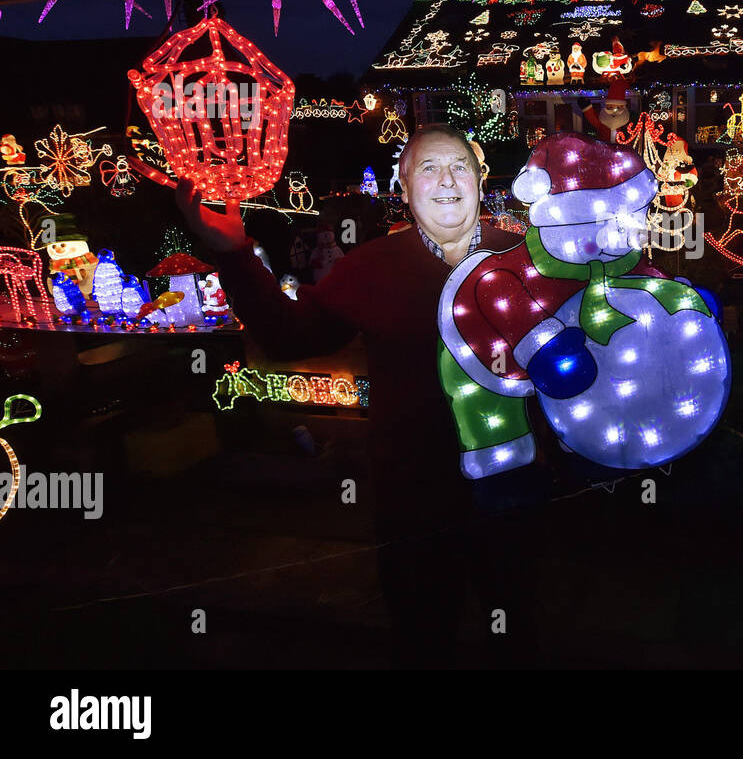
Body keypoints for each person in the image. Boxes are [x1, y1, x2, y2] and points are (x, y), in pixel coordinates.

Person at [175, 123, 546, 667]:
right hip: (412, 496)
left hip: (514, 486)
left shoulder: (526, 259)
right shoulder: (372, 267)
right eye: (428, 169)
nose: (446, 181)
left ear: (482, 177)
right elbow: (289, 336)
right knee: (422, 634)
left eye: (459, 167)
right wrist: (234, 253)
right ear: (402, 185)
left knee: (516, 627)